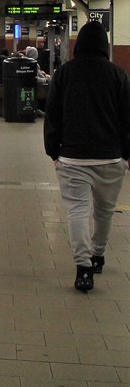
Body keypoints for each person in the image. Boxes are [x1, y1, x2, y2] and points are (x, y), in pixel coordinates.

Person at [44, 21, 130, 292]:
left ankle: (83, 270)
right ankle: (98, 256)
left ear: (77, 43)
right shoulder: (118, 74)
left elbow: (52, 115)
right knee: (104, 212)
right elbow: (127, 119)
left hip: (72, 159)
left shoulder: (64, 73)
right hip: (110, 158)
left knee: (78, 212)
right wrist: (126, 156)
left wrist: (54, 153)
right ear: (105, 45)